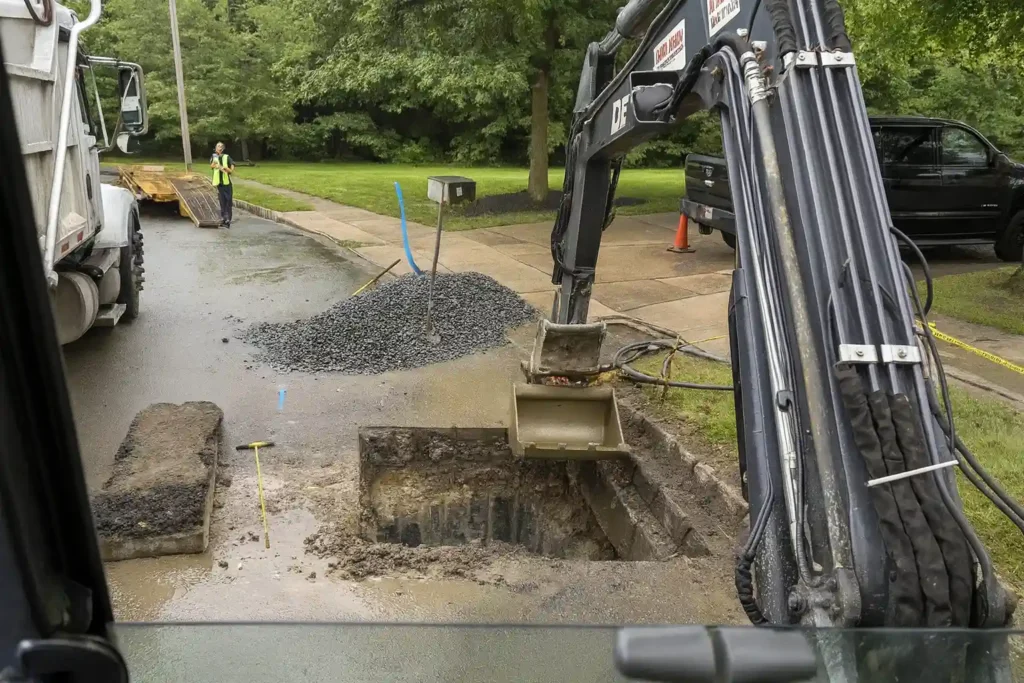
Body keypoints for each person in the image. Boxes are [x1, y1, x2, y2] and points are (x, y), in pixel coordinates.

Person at [210, 142, 235, 228]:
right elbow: (211, 166)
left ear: (223, 149)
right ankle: (224, 219)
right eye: (218, 146)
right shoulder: (214, 156)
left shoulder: (227, 157)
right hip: (219, 183)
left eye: (221, 146)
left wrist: (226, 168)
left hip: (226, 183)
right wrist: (215, 164)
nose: (219, 148)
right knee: (222, 201)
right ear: (215, 148)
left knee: (228, 201)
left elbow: (232, 168)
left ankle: (228, 220)